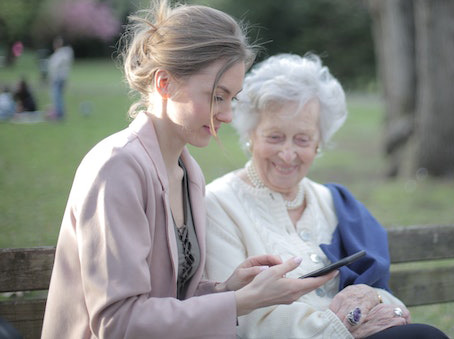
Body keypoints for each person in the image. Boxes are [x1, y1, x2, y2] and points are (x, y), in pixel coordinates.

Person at [41, 2, 334, 338]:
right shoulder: (116, 168)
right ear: (165, 83)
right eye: (216, 97)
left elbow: (170, 299)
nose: (226, 115)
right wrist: (237, 303)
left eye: (232, 99)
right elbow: (118, 323)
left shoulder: (187, 172)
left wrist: (227, 289)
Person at [204, 54, 448, 339]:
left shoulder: (333, 202)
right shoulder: (218, 204)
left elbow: (388, 301)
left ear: (318, 143)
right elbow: (242, 319)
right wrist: (341, 327)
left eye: (302, 139)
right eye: (274, 137)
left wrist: (375, 300)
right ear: (251, 135)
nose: (287, 154)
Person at [47, 36, 73, 119]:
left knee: (57, 97)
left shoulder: (61, 54)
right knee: (58, 97)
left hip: (58, 79)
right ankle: (59, 113)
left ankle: (59, 114)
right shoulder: (63, 54)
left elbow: (55, 67)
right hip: (61, 78)